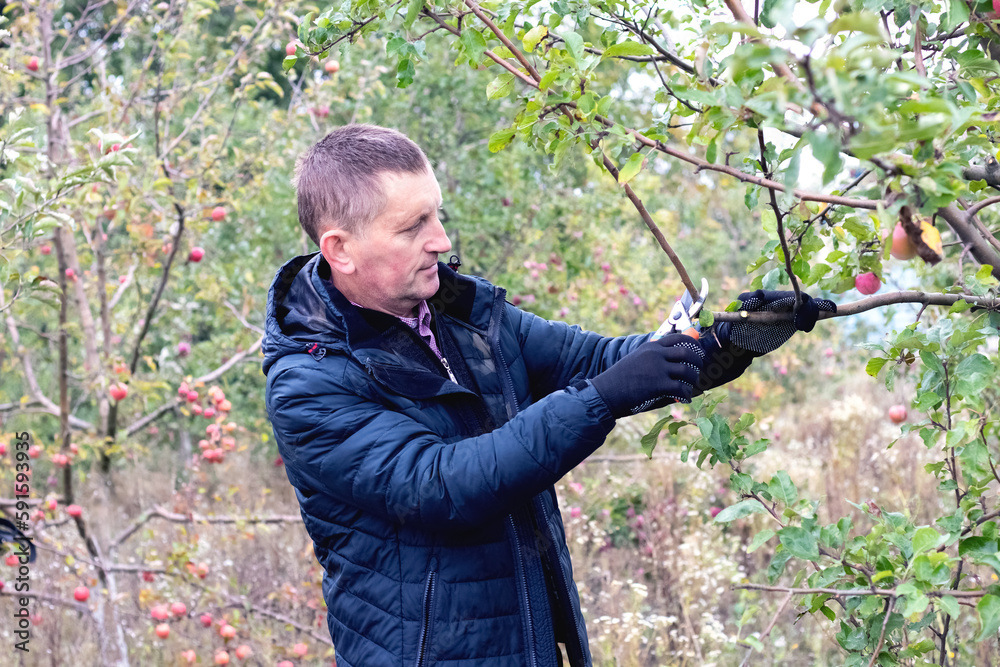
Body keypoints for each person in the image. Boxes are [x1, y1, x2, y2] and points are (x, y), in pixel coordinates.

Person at [262, 124, 835, 667]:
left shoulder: (466, 317)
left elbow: (604, 363)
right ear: (340, 249)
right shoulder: (309, 384)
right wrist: (601, 399)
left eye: (437, 214)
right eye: (413, 227)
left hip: (528, 641)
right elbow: (444, 484)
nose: (441, 240)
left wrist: (730, 339)